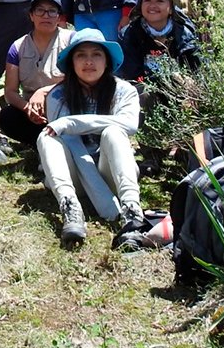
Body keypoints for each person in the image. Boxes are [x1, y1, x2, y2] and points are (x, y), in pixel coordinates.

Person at [36, 29, 145, 250]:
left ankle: (132, 209)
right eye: (80, 55)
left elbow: (130, 125)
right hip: (75, 175)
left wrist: (71, 123)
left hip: (112, 173)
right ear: (71, 63)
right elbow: (73, 146)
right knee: (47, 137)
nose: (89, 62)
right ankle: (70, 208)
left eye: (96, 54)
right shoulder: (58, 95)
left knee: (113, 132)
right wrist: (105, 204)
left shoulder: (124, 91)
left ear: (107, 61)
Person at [0, 0, 73, 152]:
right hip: (35, 113)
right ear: (31, 15)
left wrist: (44, 92)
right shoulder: (17, 47)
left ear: (59, 17)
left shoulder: (72, 41)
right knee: (6, 117)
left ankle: (62, 144)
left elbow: (82, 80)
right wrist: (27, 108)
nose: (46, 15)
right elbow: (10, 92)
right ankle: (40, 145)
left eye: (52, 11)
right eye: (40, 10)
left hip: (67, 107)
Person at [118, 0, 202, 113]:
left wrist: (188, 84)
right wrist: (162, 82)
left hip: (180, 88)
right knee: (142, 94)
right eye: (147, 0)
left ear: (171, 8)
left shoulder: (184, 32)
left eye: (160, 0)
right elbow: (132, 74)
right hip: (147, 89)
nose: (152, 5)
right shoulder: (130, 34)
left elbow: (197, 69)